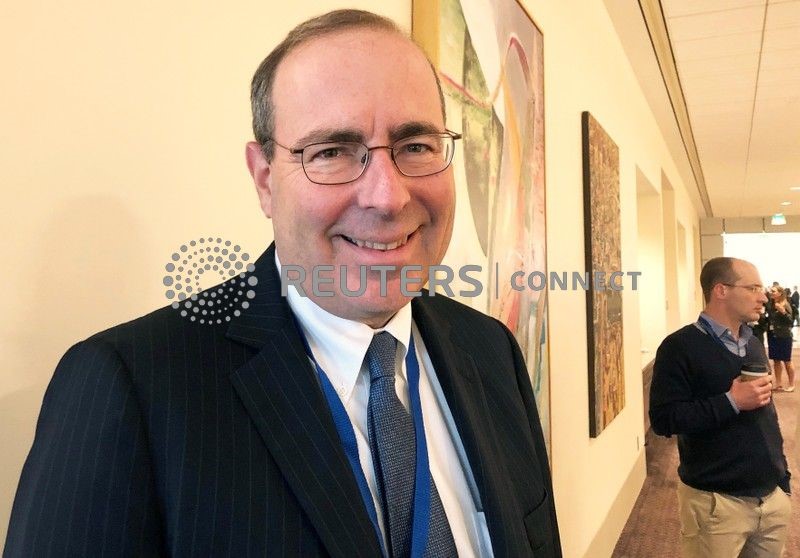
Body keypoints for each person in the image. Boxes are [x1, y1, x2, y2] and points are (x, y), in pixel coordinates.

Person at [5, 10, 561, 557]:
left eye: (416, 146)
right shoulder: (129, 388)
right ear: (265, 180)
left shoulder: (492, 353)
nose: (387, 196)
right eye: (333, 152)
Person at [649, 257, 791, 557]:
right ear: (721, 291)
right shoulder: (679, 347)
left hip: (771, 499)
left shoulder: (751, 342)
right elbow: (663, 419)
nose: (763, 296)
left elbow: (767, 413)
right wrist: (732, 402)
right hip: (717, 504)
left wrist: (782, 477)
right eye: (753, 287)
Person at [767, 286, 795, 391]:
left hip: (784, 336)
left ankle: (791, 384)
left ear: (780, 293)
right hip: (773, 335)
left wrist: (783, 312)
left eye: (773, 291)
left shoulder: (785, 304)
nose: (771, 293)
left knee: (787, 360)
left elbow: (790, 322)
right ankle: (778, 383)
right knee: (776, 360)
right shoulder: (771, 304)